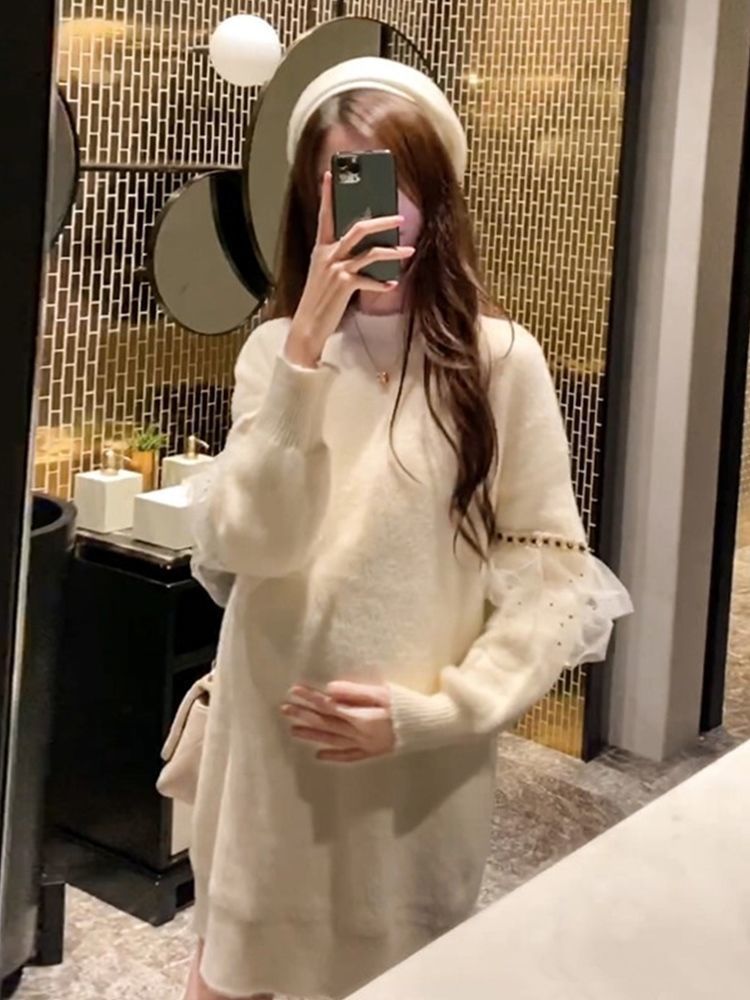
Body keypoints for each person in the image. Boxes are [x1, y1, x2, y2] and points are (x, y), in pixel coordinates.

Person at [183, 57, 632, 1000]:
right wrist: (304, 354)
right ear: (311, 201)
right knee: (230, 978)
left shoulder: (499, 363)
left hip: (414, 772)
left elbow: (549, 584)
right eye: (342, 180)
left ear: (434, 195)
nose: (373, 209)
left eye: (394, 178)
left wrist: (443, 713)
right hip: (270, 750)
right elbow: (251, 546)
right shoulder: (273, 355)